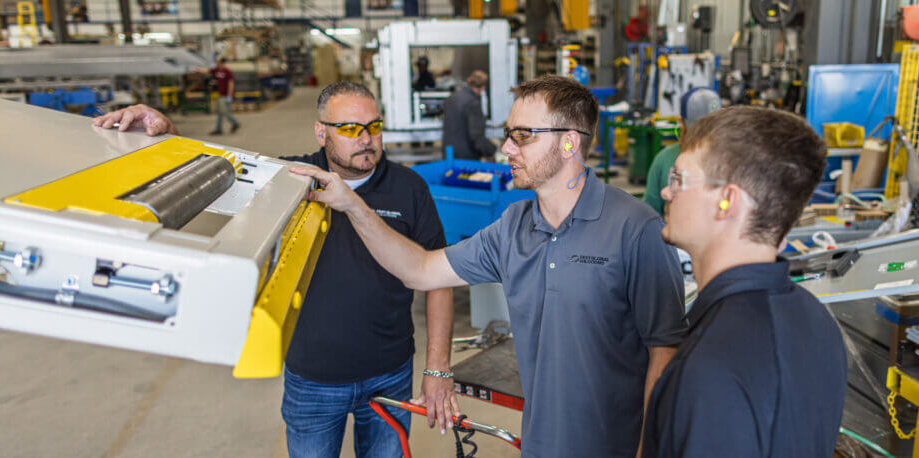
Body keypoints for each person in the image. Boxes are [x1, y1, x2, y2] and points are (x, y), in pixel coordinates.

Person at [293, 75, 687, 457]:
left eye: (523, 136)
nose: (506, 149)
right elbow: (421, 269)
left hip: (616, 445)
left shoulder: (636, 230)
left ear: (569, 143)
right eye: (507, 134)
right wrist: (353, 206)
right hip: (540, 444)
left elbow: (665, 352)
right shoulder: (514, 227)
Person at [92, 82, 459, 458]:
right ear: (321, 131)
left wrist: (438, 369)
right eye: (350, 128)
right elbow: (216, 174)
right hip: (313, 379)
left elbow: (440, 279)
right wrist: (166, 137)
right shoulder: (289, 179)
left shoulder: (409, 188)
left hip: (390, 372)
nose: (366, 139)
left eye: (374, 127)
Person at [641, 106, 847, 457]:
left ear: (727, 201)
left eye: (678, 179)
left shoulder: (710, 368)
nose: (666, 192)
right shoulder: (816, 318)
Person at [643, 88, 721, 216]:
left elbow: (649, 214)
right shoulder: (734, 160)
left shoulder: (664, 159)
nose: (666, 193)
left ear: (681, 121)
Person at [441, 70, 496, 160]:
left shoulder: (451, 98)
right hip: (466, 156)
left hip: (448, 153)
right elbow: (476, 136)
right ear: (483, 87)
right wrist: (490, 152)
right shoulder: (473, 103)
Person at [209, 57, 240, 135]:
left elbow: (231, 84)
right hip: (220, 95)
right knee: (220, 113)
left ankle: (235, 123)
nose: (217, 64)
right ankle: (218, 129)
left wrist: (229, 95)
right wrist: (197, 69)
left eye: (219, 63)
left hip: (225, 96)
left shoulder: (227, 72)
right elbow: (207, 71)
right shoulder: (217, 70)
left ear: (222, 63)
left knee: (225, 111)